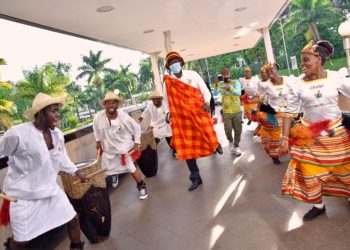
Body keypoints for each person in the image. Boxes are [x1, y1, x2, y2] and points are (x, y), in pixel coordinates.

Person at [0, 93, 86, 250]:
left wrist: (76, 172)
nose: (58, 115)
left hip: (51, 191)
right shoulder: (17, 134)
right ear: (40, 113)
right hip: (23, 198)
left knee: (73, 219)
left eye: (58, 111)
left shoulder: (57, 134)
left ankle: (77, 247)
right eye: (54, 111)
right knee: (21, 242)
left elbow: (62, 158)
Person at [280, 40, 350, 221]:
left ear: (319, 60)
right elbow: (289, 112)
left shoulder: (335, 78)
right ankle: (318, 206)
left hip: (336, 135)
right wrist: (284, 138)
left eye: (306, 60)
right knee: (310, 173)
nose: (302, 65)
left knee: (345, 171)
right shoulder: (297, 84)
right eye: (302, 61)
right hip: (309, 137)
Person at [163, 51, 219, 191]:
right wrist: (167, 113)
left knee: (207, 131)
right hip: (181, 118)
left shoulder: (192, 74)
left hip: (198, 111)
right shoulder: (168, 81)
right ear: (168, 66)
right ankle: (195, 178)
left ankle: (214, 144)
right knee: (186, 148)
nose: (174, 64)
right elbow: (166, 100)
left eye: (176, 61)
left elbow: (205, 91)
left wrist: (206, 102)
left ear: (181, 62)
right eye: (171, 62)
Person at [93, 92, 148, 199]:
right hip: (108, 149)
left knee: (131, 168)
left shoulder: (123, 116)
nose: (111, 105)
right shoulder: (98, 116)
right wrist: (98, 141)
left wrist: (137, 142)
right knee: (106, 168)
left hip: (123, 148)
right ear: (105, 105)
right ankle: (114, 174)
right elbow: (95, 128)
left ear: (117, 104)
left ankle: (142, 187)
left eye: (113, 103)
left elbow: (136, 127)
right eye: (108, 103)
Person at [258, 62, 296, 165]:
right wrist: (258, 113)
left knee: (292, 133)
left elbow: (295, 91)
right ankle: (274, 155)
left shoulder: (287, 80)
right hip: (274, 113)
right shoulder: (265, 85)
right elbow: (261, 99)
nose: (270, 71)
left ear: (277, 69)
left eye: (272, 68)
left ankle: (294, 153)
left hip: (287, 111)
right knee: (277, 136)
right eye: (268, 70)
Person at [139, 90, 176, 157]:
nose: (155, 101)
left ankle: (175, 151)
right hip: (155, 126)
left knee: (171, 139)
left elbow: (169, 111)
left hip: (165, 124)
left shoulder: (164, 104)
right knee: (153, 142)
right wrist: (141, 117)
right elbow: (146, 111)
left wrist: (168, 117)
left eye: (157, 99)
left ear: (160, 99)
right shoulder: (150, 104)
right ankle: (152, 156)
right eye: (153, 100)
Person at [215, 68, 242, 155]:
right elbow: (215, 93)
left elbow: (239, 93)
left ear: (230, 74)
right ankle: (230, 141)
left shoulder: (236, 82)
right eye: (224, 75)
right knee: (228, 130)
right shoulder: (220, 84)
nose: (226, 76)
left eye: (227, 74)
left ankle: (237, 146)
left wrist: (230, 88)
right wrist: (216, 84)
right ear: (222, 76)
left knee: (238, 130)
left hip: (237, 110)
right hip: (226, 112)